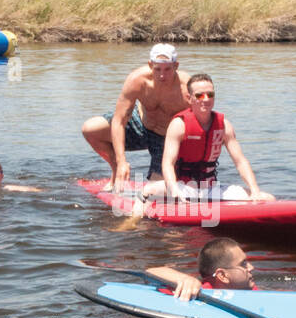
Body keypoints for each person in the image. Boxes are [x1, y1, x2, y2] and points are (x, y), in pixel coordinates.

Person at [139, 74, 275, 203]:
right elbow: (168, 163)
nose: (206, 99)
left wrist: (254, 190)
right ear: (189, 98)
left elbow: (240, 161)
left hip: (211, 189)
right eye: (199, 95)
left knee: (267, 198)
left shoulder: (224, 126)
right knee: (148, 191)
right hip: (183, 187)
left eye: (210, 94)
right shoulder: (179, 125)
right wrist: (174, 189)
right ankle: (134, 219)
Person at [80, 43, 191, 191]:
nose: (162, 75)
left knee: (158, 193)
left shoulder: (187, 88)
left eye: (167, 69)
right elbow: (119, 121)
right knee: (91, 129)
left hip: (165, 139)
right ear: (150, 65)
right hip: (140, 125)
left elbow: (200, 123)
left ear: (176, 66)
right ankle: (117, 172)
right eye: (157, 69)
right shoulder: (137, 80)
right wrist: (121, 161)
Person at [147, 237, 257, 300]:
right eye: (243, 264)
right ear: (222, 276)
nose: (251, 267)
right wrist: (186, 279)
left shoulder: (245, 286)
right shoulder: (198, 294)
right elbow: (150, 272)